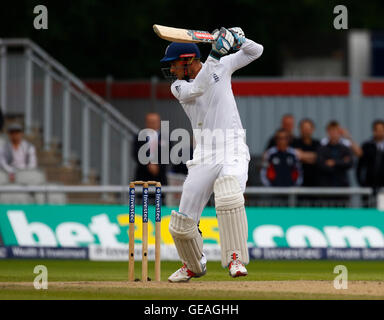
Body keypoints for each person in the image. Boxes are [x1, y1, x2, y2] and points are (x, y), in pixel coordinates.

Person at [159, 27, 263, 282]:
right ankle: (193, 265)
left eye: (173, 65)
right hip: (205, 153)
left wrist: (240, 39)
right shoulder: (180, 87)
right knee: (181, 223)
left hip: (232, 147)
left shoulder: (223, 65)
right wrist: (215, 53)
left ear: (187, 61)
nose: (171, 71)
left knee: (228, 194)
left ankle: (235, 259)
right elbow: (200, 87)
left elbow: (256, 51)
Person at [133, 112, 168, 186]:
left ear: (159, 123)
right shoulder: (139, 136)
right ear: (146, 123)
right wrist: (148, 165)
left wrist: (157, 166)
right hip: (143, 174)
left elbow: (169, 153)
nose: (152, 124)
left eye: (154, 122)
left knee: (159, 197)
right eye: (150, 122)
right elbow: (135, 153)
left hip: (160, 175)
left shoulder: (166, 138)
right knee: (143, 196)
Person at [317, 121, 353, 187]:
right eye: (331, 131)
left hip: (342, 184)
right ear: (328, 132)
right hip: (326, 185)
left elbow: (350, 163)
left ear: (339, 132)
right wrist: (342, 162)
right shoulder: (322, 147)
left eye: (335, 131)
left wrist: (334, 162)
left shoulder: (345, 147)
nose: (333, 133)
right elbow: (320, 164)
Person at [356, 119, 384, 194]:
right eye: (378, 130)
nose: (380, 132)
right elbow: (360, 166)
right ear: (374, 131)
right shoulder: (367, 146)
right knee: (369, 205)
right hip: (369, 186)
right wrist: (361, 183)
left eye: (382, 130)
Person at [292, 118, 320, 186]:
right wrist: (313, 156)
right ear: (300, 129)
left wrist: (303, 156)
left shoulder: (318, 143)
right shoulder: (294, 143)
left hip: (316, 180)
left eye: (308, 129)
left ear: (312, 129)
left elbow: (320, 157)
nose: (306, 131)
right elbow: (296, 156)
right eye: (304, 128)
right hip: (299, 180)